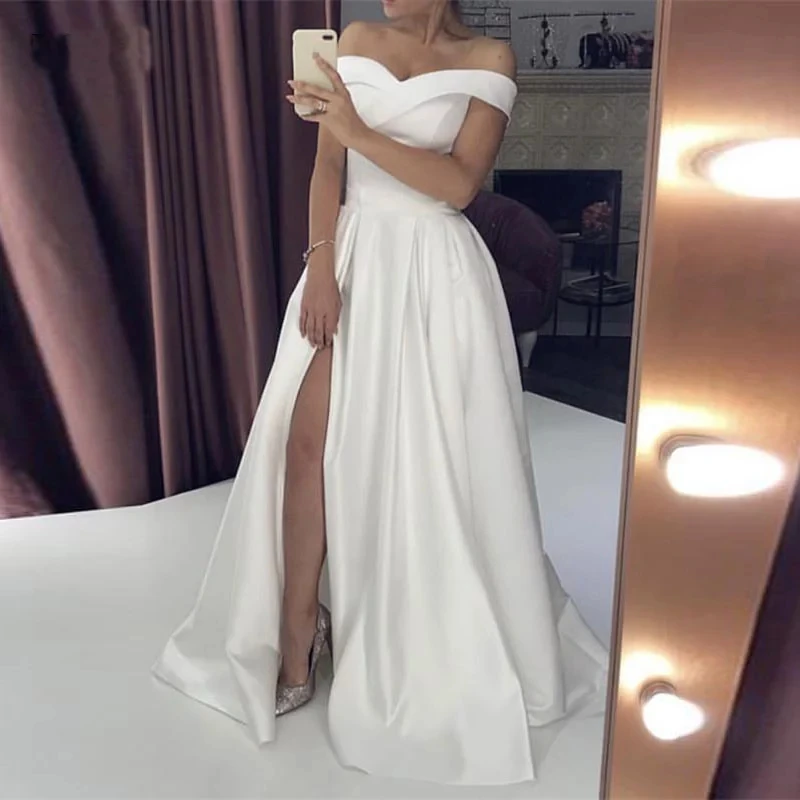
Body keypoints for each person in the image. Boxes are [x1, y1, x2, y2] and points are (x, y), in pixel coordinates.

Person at [153, 0, 607, 786]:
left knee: (423, 459)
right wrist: (321, 266)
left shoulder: (491, 59)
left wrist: (355, 128)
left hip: (436, 278)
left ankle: (416, 619)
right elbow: (328, 168)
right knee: (306, 444)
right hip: (353, 257)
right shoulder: (359, 40)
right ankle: (299, 630)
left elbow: (457, 184)